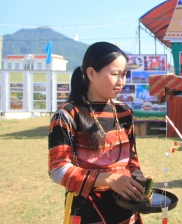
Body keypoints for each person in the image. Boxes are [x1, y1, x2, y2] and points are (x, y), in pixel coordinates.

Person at [48, 42, 145, 223]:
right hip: (87, 210)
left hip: (127, 208)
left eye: (124, 74)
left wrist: (139, 182)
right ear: (91, 73)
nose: (121, 82)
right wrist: (109, 180)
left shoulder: (124, 113)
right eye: (115, 74)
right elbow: (58, 169)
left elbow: (132, 159)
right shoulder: (67, 115)